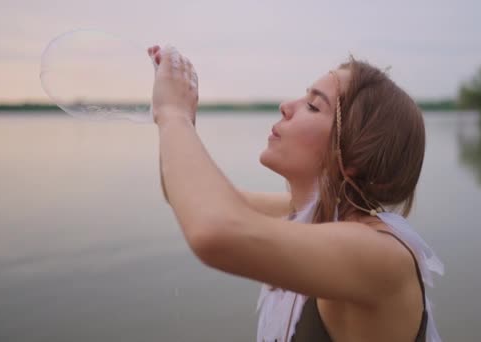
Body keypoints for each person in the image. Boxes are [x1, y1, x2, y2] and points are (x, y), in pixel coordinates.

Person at [148, 45, 444, 342]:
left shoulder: (380, 255)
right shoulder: (311, 214)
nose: (286, 105)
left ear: (353, 156)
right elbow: (189, 196)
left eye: (313, 106)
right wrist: (180, 104)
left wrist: (174, 114)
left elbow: (213, 229)